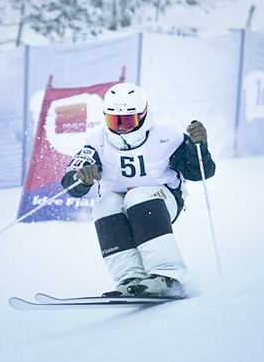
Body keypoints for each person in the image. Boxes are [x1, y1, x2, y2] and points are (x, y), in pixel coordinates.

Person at [60, 83, 216, 297]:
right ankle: (130, 276)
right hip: (121, 203)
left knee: (137, 195)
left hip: (164, 200)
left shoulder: (166, 137)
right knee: (104, 205)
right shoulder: (97, 142)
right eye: (114, 121)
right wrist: (81, 178)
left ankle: (166, 274)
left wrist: (198, 146)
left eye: (127, 121)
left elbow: (199, 173)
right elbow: (70, 183)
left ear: (143, 116)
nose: (121, 128)